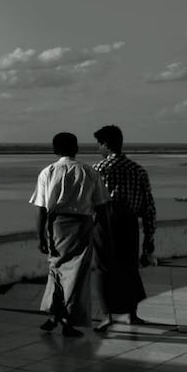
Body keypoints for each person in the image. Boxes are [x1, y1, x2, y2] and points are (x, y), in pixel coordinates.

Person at [29, 132, 109, 337]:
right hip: (82, 226)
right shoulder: (90, 172)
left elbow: (41, 210)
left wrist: (40, 237)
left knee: (55, 270)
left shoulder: (48, 172)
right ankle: (67, 320)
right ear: (76, 149)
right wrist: (99, 231)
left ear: (55, 150)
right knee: (75, 276)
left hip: (56, 226)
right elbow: (102, 208)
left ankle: (55, 315)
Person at [92, 124, 156, 332]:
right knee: (129, 268)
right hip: (129, 224)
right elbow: (148, 207)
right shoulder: (138, 170)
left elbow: (90, 203)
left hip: (104, 224)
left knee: (103, 270)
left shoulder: (98, 170)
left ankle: (107, 316)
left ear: (106, 144)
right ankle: (132, 315)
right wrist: (149, 237)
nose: (98, 149)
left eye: (99, 144)